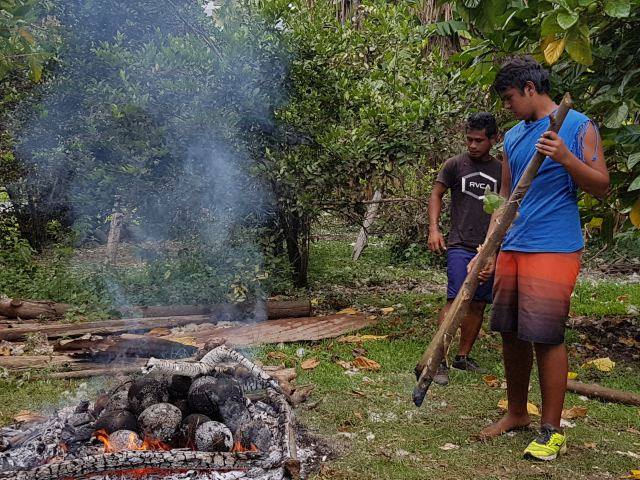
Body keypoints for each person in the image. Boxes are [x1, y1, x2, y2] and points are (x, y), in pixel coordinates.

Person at [470, 56, 609, 461]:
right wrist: (491, 245)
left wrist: (566, 157)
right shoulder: (513, 136)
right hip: (514, 243)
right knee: (511, 332)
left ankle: (551, 430)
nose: (508, 106)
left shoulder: (578, 125)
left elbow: (602, 186)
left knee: (546, 336)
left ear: (531, 88)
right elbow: (507, 197)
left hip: (553, 245)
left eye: (511, 97)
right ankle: (517, 413)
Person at [427, 112, 501, 386]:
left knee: (479, 302)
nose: (472, 145)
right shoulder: (454, 165)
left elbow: (508, 206)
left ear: (494, 139)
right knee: (455, 299)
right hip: (460, 244)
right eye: (469, 139)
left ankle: (463, 355)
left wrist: (495, 249)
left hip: (490, 248)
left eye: (479, 140)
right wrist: (434, 229)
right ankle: (439, 359)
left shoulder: (503, 170)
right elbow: (436, 193)